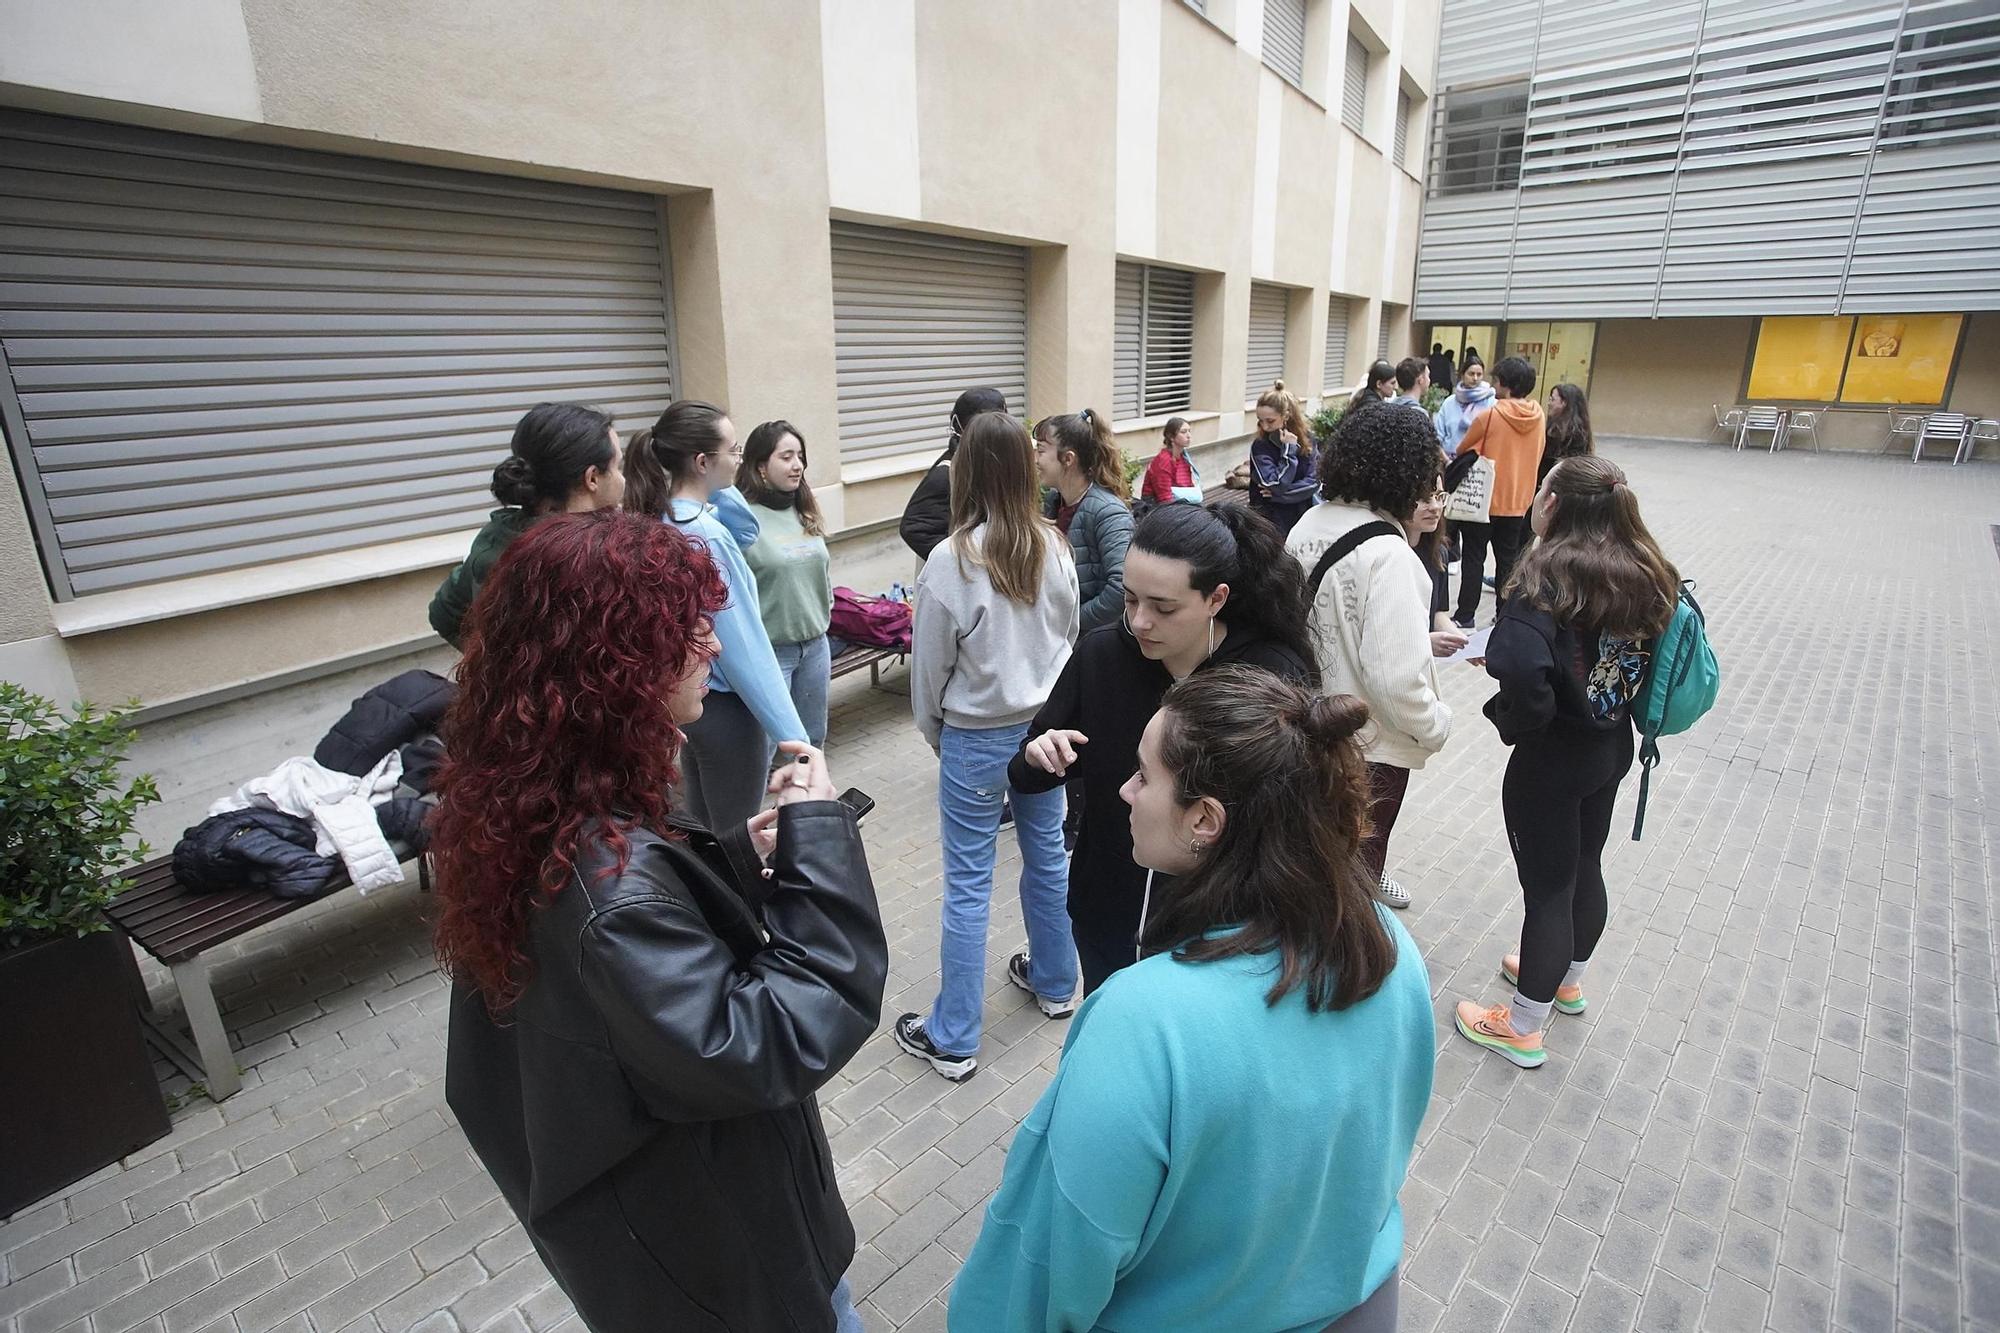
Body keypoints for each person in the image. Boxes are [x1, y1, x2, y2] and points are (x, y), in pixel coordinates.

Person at [431, 510, 887, 1333]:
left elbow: (635, 996)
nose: (713, 645)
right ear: (611, 667)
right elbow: (776, 1037)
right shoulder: (609, 890)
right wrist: (819, 838)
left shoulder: (530, 814)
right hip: (724, 1269)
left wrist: (736, 866)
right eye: (685, 630)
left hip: (670, 1243)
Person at [950, 668, 1434, 1333]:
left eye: (1145, 776)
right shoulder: (1387, 947)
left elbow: (1041, 1267)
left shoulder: (1142, 1023)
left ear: (1204, 819)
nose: (1123, 790)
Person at [1010, 501, 1318, 994]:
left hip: (1220, 928)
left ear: (1217, 599)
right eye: (1130, 600)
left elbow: (1293, 823)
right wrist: (1039, 753)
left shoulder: (1270, 676)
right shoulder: (1102, 655)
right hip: (1106, 906)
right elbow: (1027, 773)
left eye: (1163, 607)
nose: (1139, 622)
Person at [1455, 457, 1680, 1069]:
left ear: (1551, 505)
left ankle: (1523, 1025)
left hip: (1551, 760)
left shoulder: (1542, 580)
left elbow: (1525, 670)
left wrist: (1512, 717)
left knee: (1547, 892)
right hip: (1612, 746)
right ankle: (1566, 979)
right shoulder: (1646, 569)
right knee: (1584, 864)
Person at [898, 412, 1080, 1081]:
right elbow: (1071, 636)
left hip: (975, 737)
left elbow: (930, 668)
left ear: (966, 471)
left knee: (969, 884)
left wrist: (934, 732)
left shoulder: (951, 561)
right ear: (1028, 470)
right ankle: (1059, 984)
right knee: (1049, 858)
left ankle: (954, 1035)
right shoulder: (1054, 546)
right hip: (1046, 732)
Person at [1287, 406, 1454, 911]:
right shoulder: (1391, 556)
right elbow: (1395, 678)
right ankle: (1346, 978)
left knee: (1310, 866)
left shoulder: (1309, 523)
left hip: (1308, 728)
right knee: (1353, 884)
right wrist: (1437, 723)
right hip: (1368, 749)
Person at [625, 400, 808, 832]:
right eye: (734, 450)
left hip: (693, 701)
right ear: (703, 460)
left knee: (705, 827)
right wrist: (796, 739)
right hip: (728, 709)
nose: (740, 459)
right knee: (737, 836)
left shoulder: (667, 516)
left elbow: (746, 530)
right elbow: (745, 645)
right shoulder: (705, 534)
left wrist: (710, 484)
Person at [428, 402, 624, 648]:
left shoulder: (497, 536)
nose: (622, 479)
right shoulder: (593, 558)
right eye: (618, 467)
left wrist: (485, 665)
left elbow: (444, 612)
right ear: (592, 478)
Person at [738, 420, 834, 749]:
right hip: (769, 652)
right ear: (760, 466)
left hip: (816, 647)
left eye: (801, 456)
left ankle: (807, 801)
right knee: (762, 752)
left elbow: (822, 574)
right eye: (786, 456)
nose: (797, 465)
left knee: (812, 743)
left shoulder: (804, 510)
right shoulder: (742, 519)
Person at [1452, 355, 1545, 630]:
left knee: (1473, 557)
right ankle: (1504, 614)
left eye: (1496, 379)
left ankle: (1465, 615)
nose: (1493, 384)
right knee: (1508, 560)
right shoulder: (1539, 416)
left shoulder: (1490, 416)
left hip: (1484, 501)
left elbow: (1463, 450)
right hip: (1519, 501)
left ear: (1504, 384)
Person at [1034, 408, 1133, 633]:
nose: (1036, 460)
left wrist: (1069, 624)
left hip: (1089, 641)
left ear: (1068, 459)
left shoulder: (1108, 512)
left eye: (1041, 451)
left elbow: (1121, 591)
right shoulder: (1054, 501)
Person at [899, 385, 1010, 562]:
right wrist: (964, 563)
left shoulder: (992, 463)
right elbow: (915, 528)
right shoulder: (947, 473)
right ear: (961, 426)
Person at [1248, 381, 1318, 538]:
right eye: (1260, 420)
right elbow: (1276, 484)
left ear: (1285, 416)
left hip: (1303, 517)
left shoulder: (1308, 439)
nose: (1264, 426)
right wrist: (1288, 451)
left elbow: (1314, 481)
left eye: (1270, 420)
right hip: (1269, 521)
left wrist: (1278, 496)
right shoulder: (1260, 445)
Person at [1433, 358, 1492, 458]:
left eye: (1479, 374)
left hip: (1479, 463)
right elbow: (1438, 436)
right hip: (1450, 460)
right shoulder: (1449, 402)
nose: (1475, 378)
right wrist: (1446, 461)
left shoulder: (1490, 402)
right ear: (1462, 375)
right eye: (1471, 374)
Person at [1141, 416, 1204, 505]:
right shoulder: (1163, 461)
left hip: (1180, 503)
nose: (1189, 436)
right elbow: (1164, 498)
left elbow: (1188, 486)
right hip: (1157, 507)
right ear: (1171, 437)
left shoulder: (1184, 458)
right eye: (1183, 432)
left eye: (1189, 431)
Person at [1541, 382, 1595, 482]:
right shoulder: (1582, 431)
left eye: (1552, 399)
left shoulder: (1557, 433)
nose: (1549, 403)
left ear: (1564, 403)